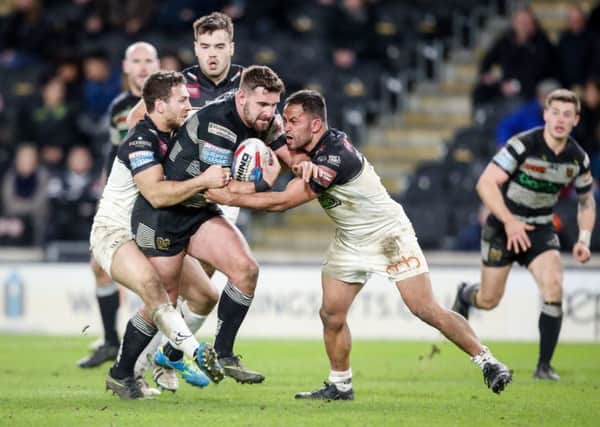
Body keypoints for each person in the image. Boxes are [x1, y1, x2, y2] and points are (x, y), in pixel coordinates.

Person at [204, 89, 513, 400]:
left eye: (293, 120)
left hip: (388, 235)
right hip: (350, 238)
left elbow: (283, 202)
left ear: (315, 125)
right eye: (285, 120)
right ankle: (340, 384)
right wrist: (293, 162)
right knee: (331, 314)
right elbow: (289, 159)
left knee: (424, 308)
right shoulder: (309, 144)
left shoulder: (335, 156)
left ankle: (488, 361)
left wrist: (229, 196)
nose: (287, 127)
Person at [130, 65, 303, 385]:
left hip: (198, 213)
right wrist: (267, 186)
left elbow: (290, 159)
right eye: (262, 105)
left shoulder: (264, 121)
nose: (270, 113)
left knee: (246, 270)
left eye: (274, 105)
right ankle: (127, 369)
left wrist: (308, 166)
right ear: (242, 98)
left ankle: (222, 354)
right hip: (165, 216)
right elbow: (217, 190)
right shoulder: (218, 123)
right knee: (161, 300)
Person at [126, 12, 250, 391]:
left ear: (232, 46)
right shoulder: (182, 86)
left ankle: (169, 357)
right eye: (205, 47)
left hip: (222, 195)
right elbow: (136, 122)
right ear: (196, 48)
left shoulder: (247, 85)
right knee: (174, 288)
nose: (212, 55)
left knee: (203, 288)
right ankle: (142, 363)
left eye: (219, 47)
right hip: (181, 195)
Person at [90, 70, 230, 399]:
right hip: (115, 233)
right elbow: (156, 195)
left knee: (205, 295)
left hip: (149, 230)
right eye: (182, 99)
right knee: (155, 291)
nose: (189, 104)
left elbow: (206, 115)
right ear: (160, 105)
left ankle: (125, 373)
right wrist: (204, 181)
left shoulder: (176, 129)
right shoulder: (141, 140)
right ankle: (193, 352)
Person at [452, 89, 596, 381]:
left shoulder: (577, 159)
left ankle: (544, 367)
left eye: (567, 114)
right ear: (545, 114)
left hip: (540, 228)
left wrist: (584, 239)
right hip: (503, 226)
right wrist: (510, 221)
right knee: (489, 300)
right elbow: (486, 183)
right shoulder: (522, 145)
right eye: (555, 112)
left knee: (554, 286)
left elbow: (586, 200)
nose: (560, 119)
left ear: (576, 120)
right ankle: (467, 293)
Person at [78, 42, 160, 370]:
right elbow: (113, 156)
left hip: (155, 198)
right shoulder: (118, 108)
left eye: (148, 60)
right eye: (136, 61)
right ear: (125, 67)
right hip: (122, 198)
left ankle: (157, 351)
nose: (142, 66)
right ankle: (111, 342)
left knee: (156, 276)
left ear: (157, 65)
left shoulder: (169, 102)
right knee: (100, 266)